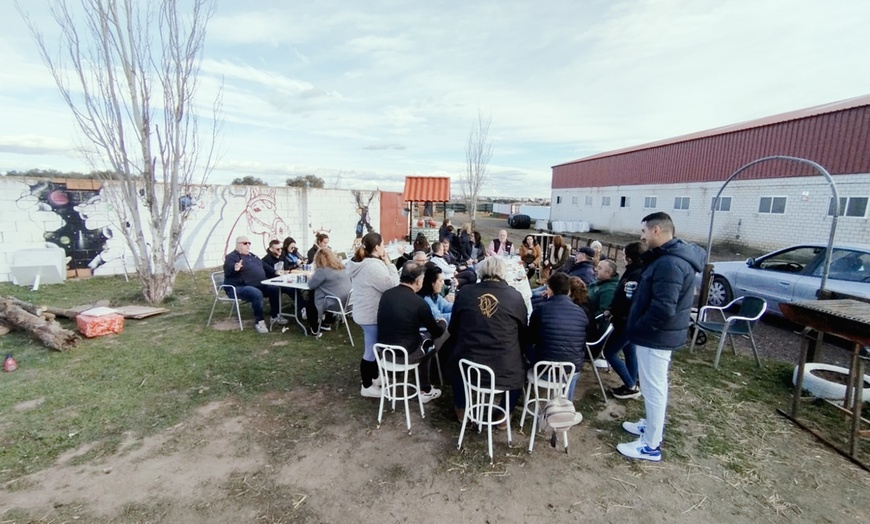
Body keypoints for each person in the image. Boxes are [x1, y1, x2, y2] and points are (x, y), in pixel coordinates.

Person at [617, 212, 705, 462]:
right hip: (656, 336)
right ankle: (649, 426)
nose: (642, 236)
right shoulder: (666, 257)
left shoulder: (670, 263)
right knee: (651, 386)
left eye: (644, 231)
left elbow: (664, 308)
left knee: (655, 389)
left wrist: (639, 328)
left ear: (657, 230)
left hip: (656, 337)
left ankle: (650, 445)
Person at [445, 256, 527, 423]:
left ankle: (461, 408)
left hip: (469, 364)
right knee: (519, 367)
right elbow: (522, 332)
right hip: (503, 366)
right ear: (503, 273)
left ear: (481, 271)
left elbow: (453, 328)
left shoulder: (466, 292)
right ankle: (505, 413)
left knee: (456, 357)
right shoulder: (515, 296)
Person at [377, 262, 446, 403]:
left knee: (420, 338)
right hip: (405, 355)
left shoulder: (386, 295)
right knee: (430, 343)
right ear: (419, 281)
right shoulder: (419, 303)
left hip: (383, 352)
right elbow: (436, 331)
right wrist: (442, 322)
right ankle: (425, 389)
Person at [346, 232, 400, 398]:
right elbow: (392, 284)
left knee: (374, 347)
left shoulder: (360, 263)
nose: (384, 248)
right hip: (370, 314)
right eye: (383, 244)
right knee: (371, 350)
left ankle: (375, 377)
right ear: (377, 247)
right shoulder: (372, 266)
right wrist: (390, 264)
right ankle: (367, 385)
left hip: (363, 311)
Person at [526, 272, 589, 406]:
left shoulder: (541, 309)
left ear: (549, 289)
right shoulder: (581, 312)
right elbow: (582, 345)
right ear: (569, 291)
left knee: (525, 344)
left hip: (543, 370)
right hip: (570, 370)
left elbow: (529, 339)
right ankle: (566, 406)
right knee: (571, 361)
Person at [603, 241, 648, 400]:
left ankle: (630, 386)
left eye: (624, 254)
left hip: (627, 322)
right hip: (628, 321)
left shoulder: (636, 275)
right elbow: (620, 295)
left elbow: (627, 301)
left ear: (630, 257)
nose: (622, 257)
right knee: (630, 352)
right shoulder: (632, 271)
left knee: (609, 352)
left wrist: (615, 312)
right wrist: (611, 308)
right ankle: (632, 381)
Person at [222, 235, 287, 334]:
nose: (248, 245)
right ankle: (259, 321)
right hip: (238, 287)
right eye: (245, 243)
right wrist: (235, 268)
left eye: (249, 243)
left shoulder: (252, 255)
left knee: (274, 288)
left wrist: (275, 272)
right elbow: (228, 271)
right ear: (238, 245)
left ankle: (275, 316)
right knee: (256, 293)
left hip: (257, 284)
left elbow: (263, 265)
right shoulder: (231, 257)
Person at [306, 247, 351, 336]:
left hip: (335, 302)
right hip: (347, 301)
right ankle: (327, 322)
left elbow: (311, 285)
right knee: (328, 292)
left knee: (311, 301)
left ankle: (314, 330)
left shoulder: (322, 270)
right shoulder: (342, 267)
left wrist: (309, 278)